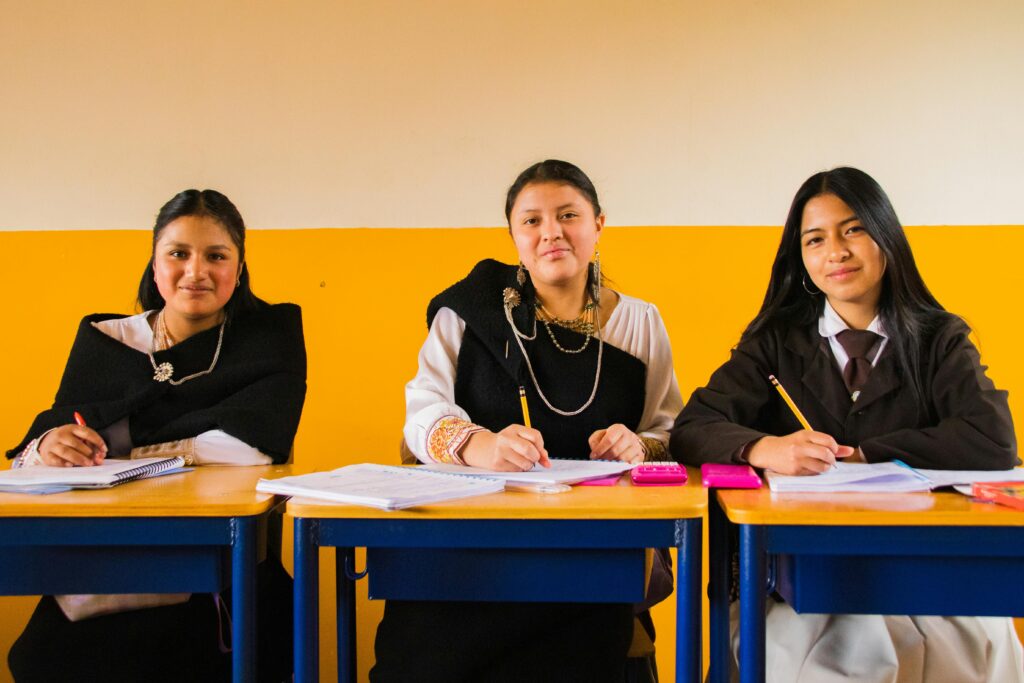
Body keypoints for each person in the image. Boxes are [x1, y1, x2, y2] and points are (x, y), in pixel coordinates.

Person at [670, 167, 1022, 682]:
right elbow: (693, 426)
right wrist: (764, 448)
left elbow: (992, 440)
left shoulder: (938, 338)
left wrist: (864, 454)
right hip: (801, 583)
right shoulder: (774, 341)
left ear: (886, 236)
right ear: (801, 257)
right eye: (816, 239)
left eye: (853, 230)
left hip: (918, 574)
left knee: (983, 649)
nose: (836, 251)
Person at [372, 160, 683, 682]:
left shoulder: (639, 321)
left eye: (568, 215)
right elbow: (422, 411)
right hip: (470, 541)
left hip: (588, 547)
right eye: (532, 221)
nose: (551, 233)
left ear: (598, 225)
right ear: (513, 235)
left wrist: (638, 446)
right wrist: (479, 446)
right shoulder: (468, 313)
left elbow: (669, 430)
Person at [6, 189, 306, 683]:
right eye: (178, 254)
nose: (196, 271)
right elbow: (48, 438)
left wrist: (127, 456)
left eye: (216, 256)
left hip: (209, 558)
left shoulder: (269, 338)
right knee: (46, 657)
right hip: (101, 557)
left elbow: (254, 444)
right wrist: (50, 445)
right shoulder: (107, 341)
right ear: (153, 262)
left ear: (239, 265)